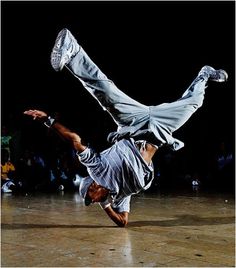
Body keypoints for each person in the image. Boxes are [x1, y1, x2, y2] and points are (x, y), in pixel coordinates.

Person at [23, 28, 228, 227]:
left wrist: (48, 120)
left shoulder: (96, 168)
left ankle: (73, 50)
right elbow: (123, 222)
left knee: (106, 92)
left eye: (90, 198)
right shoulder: (120, 196)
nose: (92, 202)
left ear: (92, 186)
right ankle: (204, 74)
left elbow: (75, 139)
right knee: (194, 104)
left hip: (133, 124)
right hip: (159, 132)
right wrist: (106, 206)